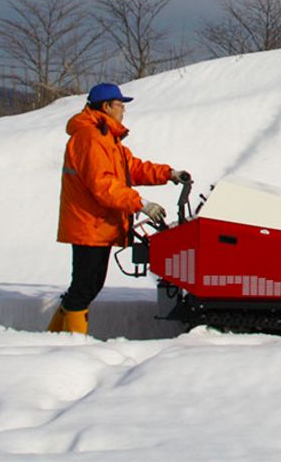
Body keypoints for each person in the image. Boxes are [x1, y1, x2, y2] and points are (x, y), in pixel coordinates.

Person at [47, 82, 190, 335]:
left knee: (85, 287)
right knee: (85, 288)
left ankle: (55, 337)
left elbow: (131, 168)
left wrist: (168, 174)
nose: (123, 110)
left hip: (97, 224)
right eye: (120, 105)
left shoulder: (106, 137)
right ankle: (70, 342)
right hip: (89, 225)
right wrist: (141, 204)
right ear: (106, 107)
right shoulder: (91, 139)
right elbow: (103, 185)